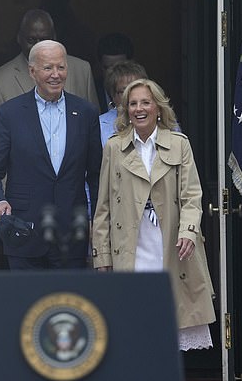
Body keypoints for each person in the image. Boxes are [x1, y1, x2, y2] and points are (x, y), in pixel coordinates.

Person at [92, 78, 216, 353]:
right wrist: (102, 255)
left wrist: (188, 232)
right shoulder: (114, 147)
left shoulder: (179, 143)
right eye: (133, 103)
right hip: (130, 244)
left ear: (158, 108)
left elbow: (192, 196)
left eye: (145, 102)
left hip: (171, 241)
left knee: (171, 320)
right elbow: (103, 207)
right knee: (133, 325)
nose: (139, 109)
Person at [0, 40, 102, 270]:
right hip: (25, 233)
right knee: (27, 305)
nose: (56, 75)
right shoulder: (10, 113)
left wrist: (97, 221)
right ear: (32, 71)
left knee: (68, 305)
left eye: (61, 67)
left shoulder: (85, 112)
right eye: (48, 68)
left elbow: (96, 175)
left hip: (71, 235)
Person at [0, 9, 99, 154]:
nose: (37, 46)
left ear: (54, 37)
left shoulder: (81, 70)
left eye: (43, 39)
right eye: (31, 40)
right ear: (19, 38)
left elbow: (94, 135)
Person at [99, 60, 147, 146]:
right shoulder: (99, 126)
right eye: (124, 91)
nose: (132, 95)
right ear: (113, 96)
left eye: (136, 89)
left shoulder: (164, 122)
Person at [95, 33, 135, 113]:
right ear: (100, 67)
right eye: (107, 68)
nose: (113, 74)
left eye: (119, 68)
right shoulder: (93, 91)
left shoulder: (146, 91)